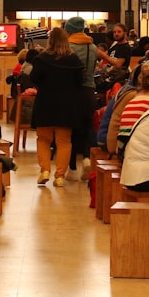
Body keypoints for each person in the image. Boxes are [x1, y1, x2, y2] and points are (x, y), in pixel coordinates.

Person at [29, 27, 85, 187]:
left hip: (45, 103)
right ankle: (60, 176)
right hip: (67, 105)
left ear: (50, 40)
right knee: (64, 142)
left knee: (44, 140)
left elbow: (34, 78)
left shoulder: (42, 58)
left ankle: (44, 170)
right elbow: (79, 82)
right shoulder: (74, 60)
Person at [64, 16, 97, 179]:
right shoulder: (93, 47)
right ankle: (86, 159)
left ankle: (72, 168)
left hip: (72, 92)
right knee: (87, 126)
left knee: (70, 130)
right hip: (89, 91)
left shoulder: (68, 47)